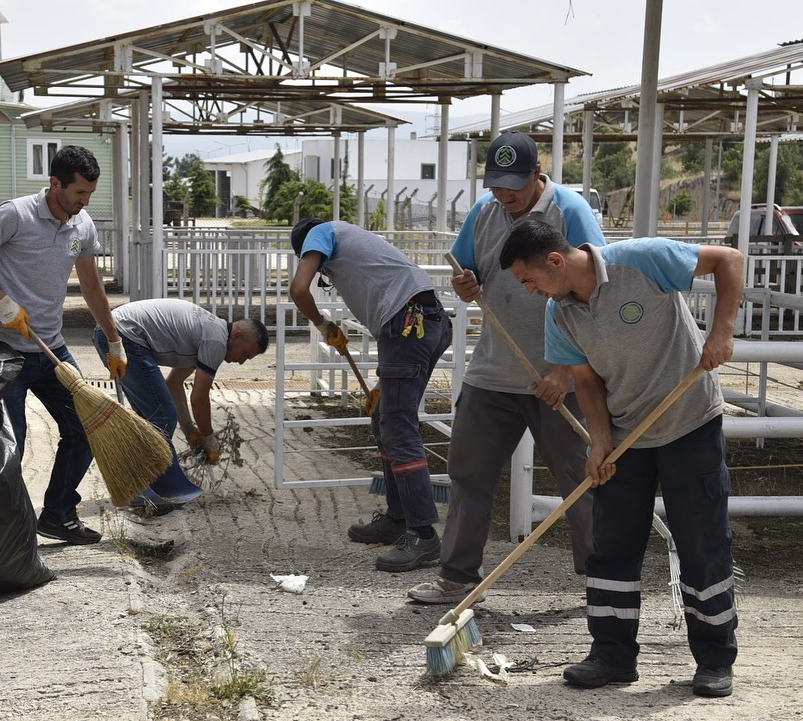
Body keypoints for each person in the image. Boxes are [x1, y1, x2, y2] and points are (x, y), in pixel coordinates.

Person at [499, 218, 743, 697]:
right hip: (628, 434)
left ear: (554, 261)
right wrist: (601, 442)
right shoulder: (560, 313)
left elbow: (728, 261)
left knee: (701, 542)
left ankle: (715, 659)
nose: (531, 292)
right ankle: (611, 656)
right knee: (610, 545)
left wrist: (722, 331)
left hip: (689, 422)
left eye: (530, 280)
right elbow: (587, 383)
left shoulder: (642, 259)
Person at [407, 131, 602, 605]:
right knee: (469, 471)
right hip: (494, 369)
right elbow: (466, 272)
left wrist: (564, 365)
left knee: (583, 477)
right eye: (495, 184)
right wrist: (466, 284)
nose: (504, 194)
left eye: (513, 184)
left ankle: (604, 578)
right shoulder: (484, 212)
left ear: (538, 173)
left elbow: (597, 284)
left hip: (562, 375)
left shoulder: (571, 212)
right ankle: (455, 575)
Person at [0, 145, 120, 546]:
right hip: (4, 351)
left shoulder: (82, 227)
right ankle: (6, 530)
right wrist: (2, 302)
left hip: (52, 351)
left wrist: (114, 340)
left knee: (87, 428)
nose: (84, 202)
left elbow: (92, 286)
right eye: (79, 193)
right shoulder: (15, 214)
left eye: (90, 195)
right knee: (12, 444)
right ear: (55, 183)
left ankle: (59, 515)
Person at [289, 218, 452, 572]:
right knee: (385, 418)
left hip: (407, 325)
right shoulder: (354, 237)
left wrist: (323, 324)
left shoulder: (321, 232)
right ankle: (398, 518)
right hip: (429, 323)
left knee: (397, 426)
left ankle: (423, 535)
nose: (324, 274)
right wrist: (382, 386)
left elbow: (299, 290)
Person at [91, 299, 269, 513]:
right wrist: (208, 438)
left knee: (152, 418)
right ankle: (152, 488)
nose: (241, 361)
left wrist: (190, 431)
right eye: (245, 355)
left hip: (113, 332)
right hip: (122, 336)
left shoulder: (210, 334)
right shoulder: (216, 341)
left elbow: (174, 384)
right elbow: (199, 398)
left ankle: (143, 486)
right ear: (238, 336)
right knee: (163, 417)